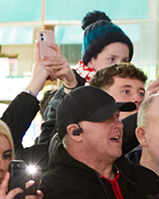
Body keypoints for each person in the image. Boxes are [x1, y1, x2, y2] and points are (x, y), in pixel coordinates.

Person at [34, 10, 134, 149]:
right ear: (90, 60)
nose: (119, 66)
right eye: (111, 59)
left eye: (125, 60)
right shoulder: (70, 91)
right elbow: (46, 143)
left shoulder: (133, 92)